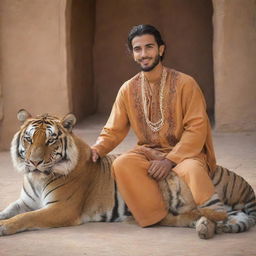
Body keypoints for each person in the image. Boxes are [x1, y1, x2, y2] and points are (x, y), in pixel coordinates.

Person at [91, 24, 218, 227]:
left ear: (161, 49)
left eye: (149, 47)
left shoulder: (186, 83)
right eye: (137, 49)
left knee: (193, 169)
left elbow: (197, 128)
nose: (144, 54)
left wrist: (169, 160)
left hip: (185, 153)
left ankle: (215, 215)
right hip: (148, 152)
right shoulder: (128, 89)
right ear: (132, 54)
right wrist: (98, 148)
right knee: (122, 164)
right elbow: (113, 129)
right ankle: (157, 216)